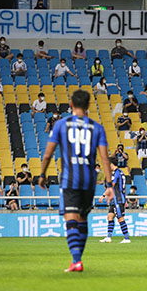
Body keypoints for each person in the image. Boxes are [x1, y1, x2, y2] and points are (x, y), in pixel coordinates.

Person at [38, 89, 113, 272]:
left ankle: (76, 260)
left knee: (71, 220)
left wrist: (42, 174)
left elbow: (48, 154)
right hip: (89, 181)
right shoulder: (97, 128)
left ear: (71, 104)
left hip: (69, 179)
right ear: (88, 106)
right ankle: (77, 260)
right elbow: (104, 159)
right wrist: (109, 184)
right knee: (83, 219)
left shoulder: (61, 125)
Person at [99, 158, 131, 244]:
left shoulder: (117, 173)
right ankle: (109, 237)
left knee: (120, 218)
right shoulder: (121, 172)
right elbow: (123, 187)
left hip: (118, 199)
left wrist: (103, 195)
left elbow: (111, 186)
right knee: (110, 216)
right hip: (116, 199)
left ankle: (127, 238)